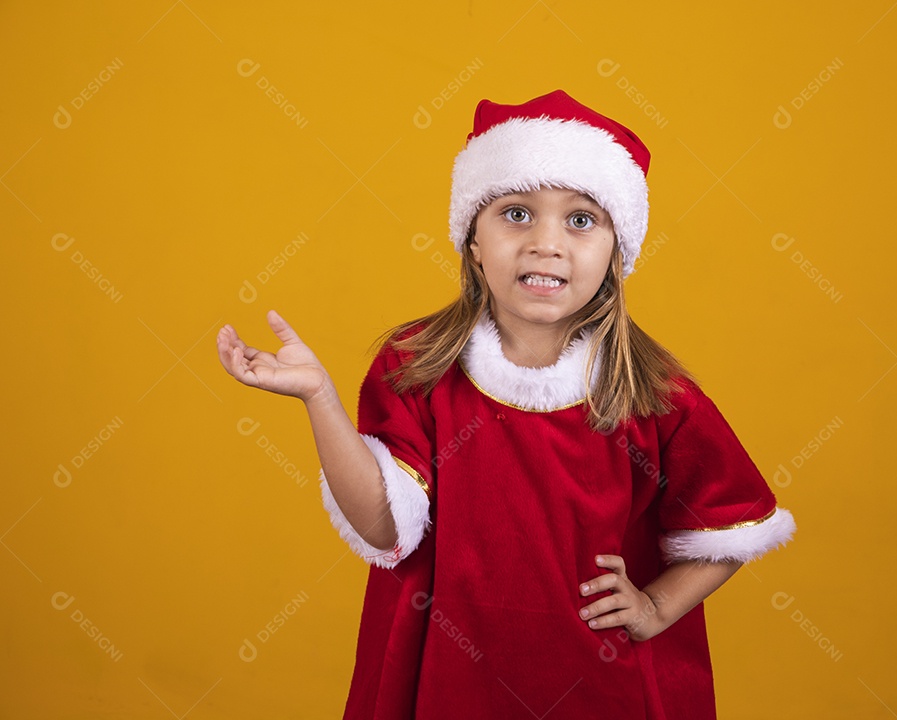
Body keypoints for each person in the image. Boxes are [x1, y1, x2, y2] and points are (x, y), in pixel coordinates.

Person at [217, 89, 796, 720]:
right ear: (472, 242)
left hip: (601, 688)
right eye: (516, 213)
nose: (547, 243)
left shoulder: (655, 392)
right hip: (441, 680)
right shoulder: (416, 367)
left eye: (581, 220)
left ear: (616, 253)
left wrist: (657, 606)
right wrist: (319, 399)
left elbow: (732, 520)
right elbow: (383, 528)